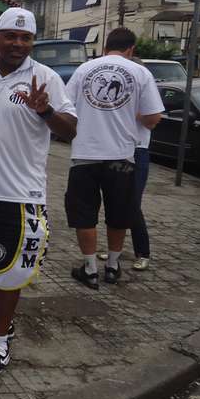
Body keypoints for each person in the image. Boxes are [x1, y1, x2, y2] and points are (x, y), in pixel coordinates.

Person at [0, 7, 77, 378]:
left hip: (19, 195)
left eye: (26, 38)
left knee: (10, 273)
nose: (19, 44)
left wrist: (45, 111)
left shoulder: (45, 77)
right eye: (11, 36)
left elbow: (70, 131)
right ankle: (0, 318)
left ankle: (1, 339)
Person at [65, 28, 163, 290]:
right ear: (130, 49)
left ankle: (90, 269)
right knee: (119, 214)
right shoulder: (141, 72)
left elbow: (66, 108)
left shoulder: (84, 70)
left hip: (85, 155)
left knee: (84, 215)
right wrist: (131, 113)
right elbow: (153, 119)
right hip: (122, 156)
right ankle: (112, 267)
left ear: (106, 45)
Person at [97, 57, 155, 270]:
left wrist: (127, 108)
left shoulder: (144, 94)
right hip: (115, 151)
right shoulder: (119, 91)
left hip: (137, 151)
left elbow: (152, 118)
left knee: (132, 204)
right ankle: (115, 251)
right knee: (116, 204)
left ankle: (143, 252)